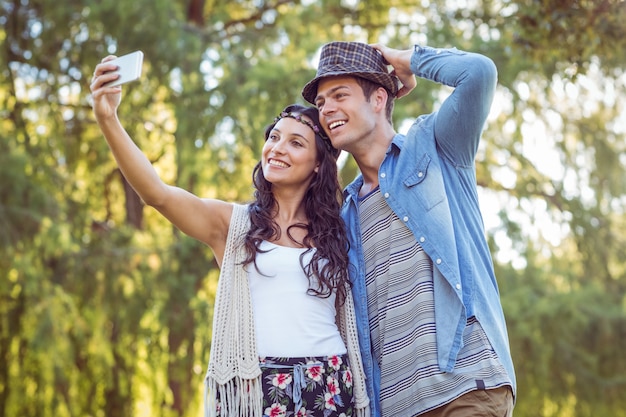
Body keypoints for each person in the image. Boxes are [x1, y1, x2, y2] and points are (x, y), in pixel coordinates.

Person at [90, 55, 369, 417]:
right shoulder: (232, 225)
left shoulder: (339, 231)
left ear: (319, 164)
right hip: (252, 387)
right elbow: (156, 193)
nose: (278, 148)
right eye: (274, 137)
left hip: (330, 383)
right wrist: (107, 118)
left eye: (296, 143)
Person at [301, 41, 516, 416]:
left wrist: (406, 60)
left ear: (379, 99)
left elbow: (478, 74)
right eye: (320, 103)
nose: (327, 109)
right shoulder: (345, 213)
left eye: (339, 95)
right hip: (398, 405)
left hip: (464, 386)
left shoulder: (434, 146)